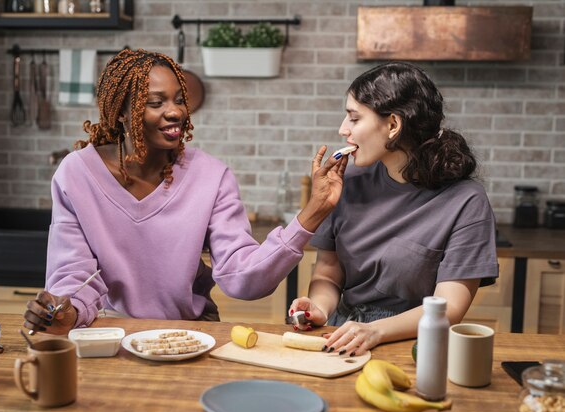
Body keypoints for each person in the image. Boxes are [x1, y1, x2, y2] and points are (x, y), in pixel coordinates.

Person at [22, 49, 348, 334]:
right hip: (110, 329)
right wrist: (65, 311)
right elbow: (73, 275)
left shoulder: (211, 176)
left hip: (192, 330)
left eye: (179, 99)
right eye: (155, 102)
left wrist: (312, 212)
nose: (175, 111)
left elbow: (241, 277)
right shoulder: (76, 173)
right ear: (120, 112)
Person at [289, 62, 499, 357]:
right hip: (343, 335)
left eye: (354, 118)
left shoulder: (466, 201)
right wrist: (320, 308)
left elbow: (449, 309)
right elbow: (328, 272)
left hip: (413, 344)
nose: (342, 129)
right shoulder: (345, 181)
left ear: (392, 125)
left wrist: (376, 331)